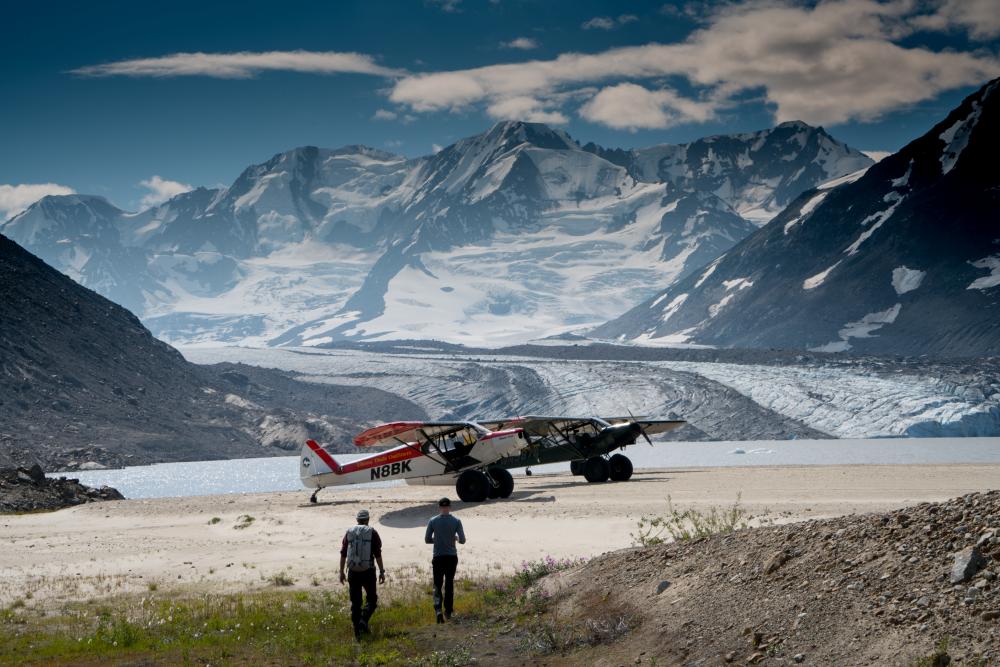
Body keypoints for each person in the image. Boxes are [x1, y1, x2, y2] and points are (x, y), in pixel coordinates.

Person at [340, 509, 386, 639]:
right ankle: (363, 620)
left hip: (353, 572)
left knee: (355, 602)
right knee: (372, 599)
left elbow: (343, 553)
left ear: (357, 520)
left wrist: (341, 572)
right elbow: (377, 554)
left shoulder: (349, 532)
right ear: (368, 520)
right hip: (368, 571)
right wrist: (382, 571)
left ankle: (357, 633)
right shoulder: (372, 532)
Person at [424, 497, 466, 623]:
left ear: (439, 507)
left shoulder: (433, 521)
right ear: (450, 507)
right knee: (449, 583)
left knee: (437, 584)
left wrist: (436, 540)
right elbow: (463, 540)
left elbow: (427, 539)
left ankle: (438, 610)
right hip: (451, 556)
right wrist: (456, 538)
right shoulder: (456, 521)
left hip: (438, 556)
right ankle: (448, 611)